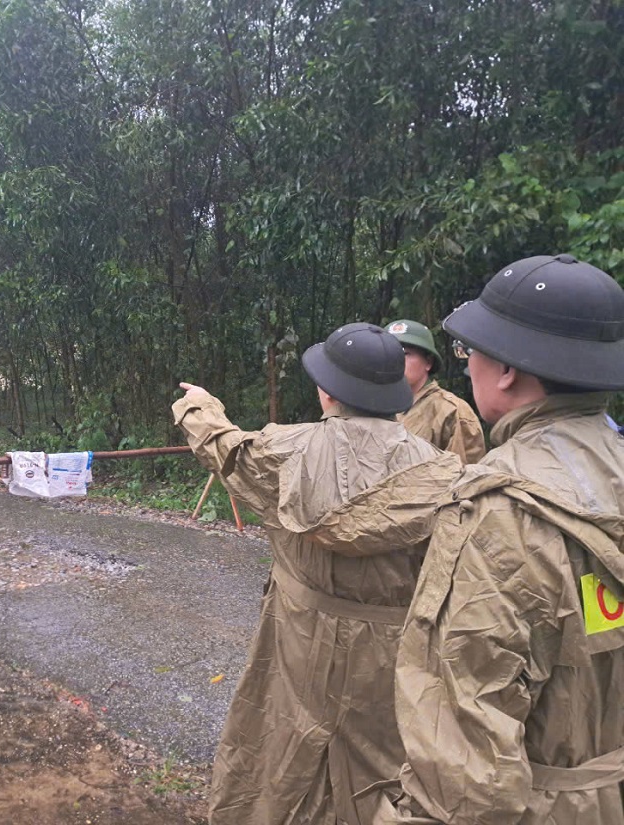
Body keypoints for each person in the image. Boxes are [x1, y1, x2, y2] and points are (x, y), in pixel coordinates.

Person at [173, 322, 461, 825]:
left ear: (327, 391)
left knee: (277, 754)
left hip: (295, 638)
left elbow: (222, 448)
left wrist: (199, 404)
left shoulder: (284, 451)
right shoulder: (445, 474)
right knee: (383, 767)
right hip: (392, 653)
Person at [376, 254, 624, 824]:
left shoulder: (499, 513)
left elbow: (464, 754)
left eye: (470, 353)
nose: (466, 367)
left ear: (508, 370)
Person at [385, 319, 486, 462]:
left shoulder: (451, 411)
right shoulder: (375, 406)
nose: (395, 361)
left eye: (405, 353)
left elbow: (463, 478)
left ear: (428, 362)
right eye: (388, 353)